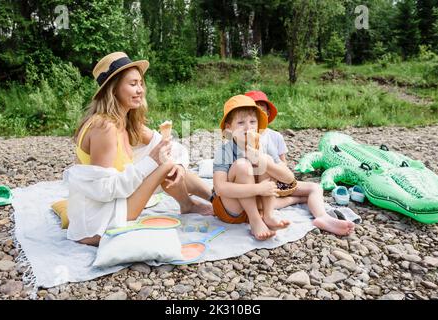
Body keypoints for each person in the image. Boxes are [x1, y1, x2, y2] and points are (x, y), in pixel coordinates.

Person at [67, 52, 213, 246]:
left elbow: (175, 148)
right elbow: (104, 190)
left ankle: (215, 198)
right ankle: (206, 202)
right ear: (114, 89)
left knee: (170, 162)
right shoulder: (105, 127)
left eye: (141, 83)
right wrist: (153, 161)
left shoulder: (127, 123)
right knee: (164, 164)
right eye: (132, 84)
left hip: (117, 203)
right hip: (98, 221)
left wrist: (180, 166)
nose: (140, 90)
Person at [212, 95, 355, 241]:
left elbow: (288, 178)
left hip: (258, 203)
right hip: (232, 208)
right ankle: (255, 221)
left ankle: (270, 216)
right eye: (241, 122)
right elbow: (220, 188)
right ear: (229, 128)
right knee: (243, 165)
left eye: (253, 122)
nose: (248, 127)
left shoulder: (263, 145)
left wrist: (261, 159)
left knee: (267, 161)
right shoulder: (225, 151)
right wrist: (259, 189)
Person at [245, 90, 288, 164]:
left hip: (272, 171)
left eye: (262, 111)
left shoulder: (276, 136)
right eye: (254, 112)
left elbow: (283, 161)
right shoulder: (241, 136)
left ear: (267, 113)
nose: (258, 116)